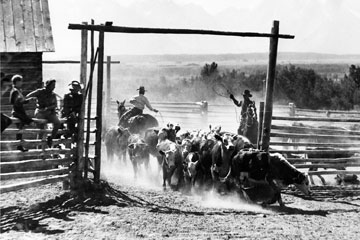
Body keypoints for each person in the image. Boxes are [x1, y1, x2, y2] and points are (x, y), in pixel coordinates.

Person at [26, 79, 61, 147]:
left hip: (49, 112)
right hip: (40, 112)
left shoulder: (53, 95)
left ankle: (50, 138)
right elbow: (28, 96)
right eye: (52, 85)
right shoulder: (40, 91)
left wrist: (48, 108)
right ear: (48, 85)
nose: (54, 87)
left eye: (54, 85)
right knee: (41, 130)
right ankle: (38, 147)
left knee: (57, 123)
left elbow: (55, 105)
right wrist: (32, 100)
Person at [9, 75, 34, 151]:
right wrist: (25, 101)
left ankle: (19, 146)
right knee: (29, 122)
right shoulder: (15, 91)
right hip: (17, 112)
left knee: (20, 129)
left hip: (19, 111)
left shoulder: (18, 90)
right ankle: (19, 145)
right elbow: (14, 102)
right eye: (20, 81)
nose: (21, 83)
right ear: (16, 82)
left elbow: (21, 101)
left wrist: (29, 100)